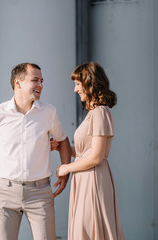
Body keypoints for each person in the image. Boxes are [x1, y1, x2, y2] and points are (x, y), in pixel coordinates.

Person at [0, 62, 71, 240]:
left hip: (40, 193)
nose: (40, 85)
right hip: (5, 191)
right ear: (18, 83)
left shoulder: (48, 112)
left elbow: (62, 140)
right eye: (35, 80)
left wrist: (65, 171)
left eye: (42, 80)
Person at [56, 62, 125, 240]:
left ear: (89, 83)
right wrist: (59, 147)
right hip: (86, 177)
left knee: (90, 229)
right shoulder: (93, 113)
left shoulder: (100, 112)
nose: (75, 90)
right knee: (85, 228)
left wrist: (66, 168)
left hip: (93, 178)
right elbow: (84, 151)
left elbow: (96, 156)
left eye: (77, 84)